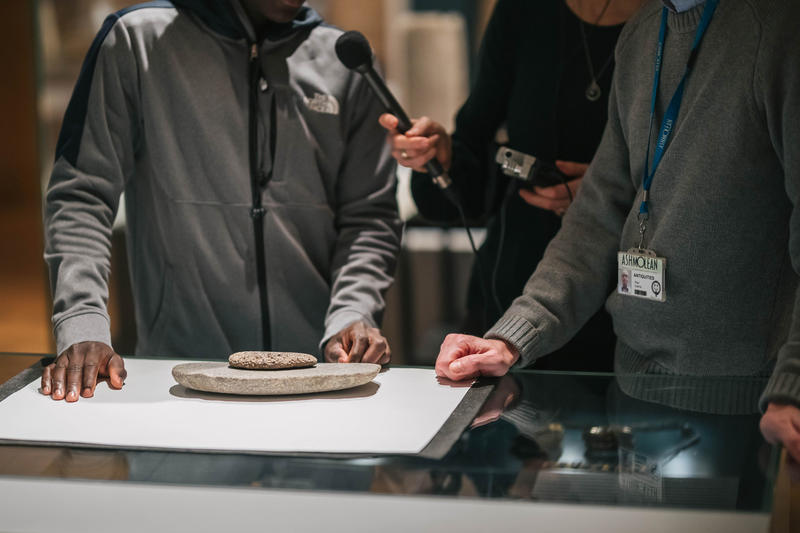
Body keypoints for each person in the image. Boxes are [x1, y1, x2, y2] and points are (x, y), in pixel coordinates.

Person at [430, 0, 800, 465]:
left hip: (747, 403)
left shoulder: (778, 29)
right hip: (630, 389)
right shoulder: (645, 32)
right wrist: (511, 337)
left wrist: (794, 384)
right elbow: (595, 217)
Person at [40, 0, 402, 402]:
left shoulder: (345, 61)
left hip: (321, 386)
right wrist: (83, 324)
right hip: (178, 387)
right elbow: (82, 194)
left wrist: (354, 314)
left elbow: (370, 218)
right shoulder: (135, 40)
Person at [381, 0, 644, 371]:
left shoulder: (668, 19)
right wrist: (442, 158)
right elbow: (471, 171)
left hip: (628, 300)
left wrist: (609, 191)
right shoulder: (524, 11)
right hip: (513, 293)